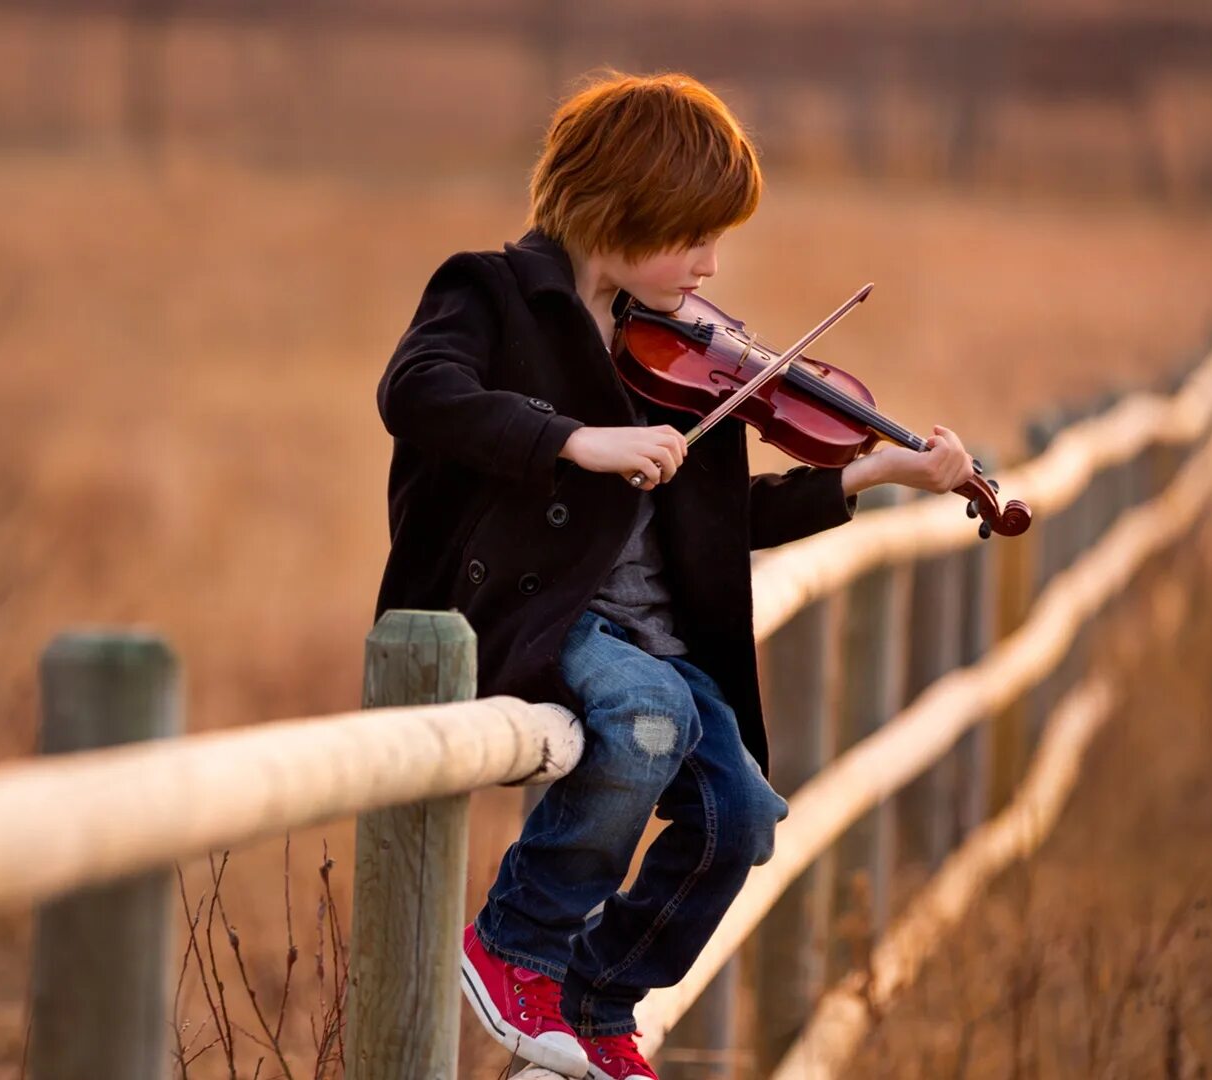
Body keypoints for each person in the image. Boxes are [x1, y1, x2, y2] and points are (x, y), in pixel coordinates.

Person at [372, 70, 973, 1080]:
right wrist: (574, 442)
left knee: (741, 819)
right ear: (618, 209)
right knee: (648, 712)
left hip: (650, 642)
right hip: (533, 615)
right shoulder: (491, 294)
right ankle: (513, 946)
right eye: (694, 236)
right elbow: (417, 393)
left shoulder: (679, 353)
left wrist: (871, 472)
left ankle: (600, 998)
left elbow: (716, 523)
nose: (710, 265)